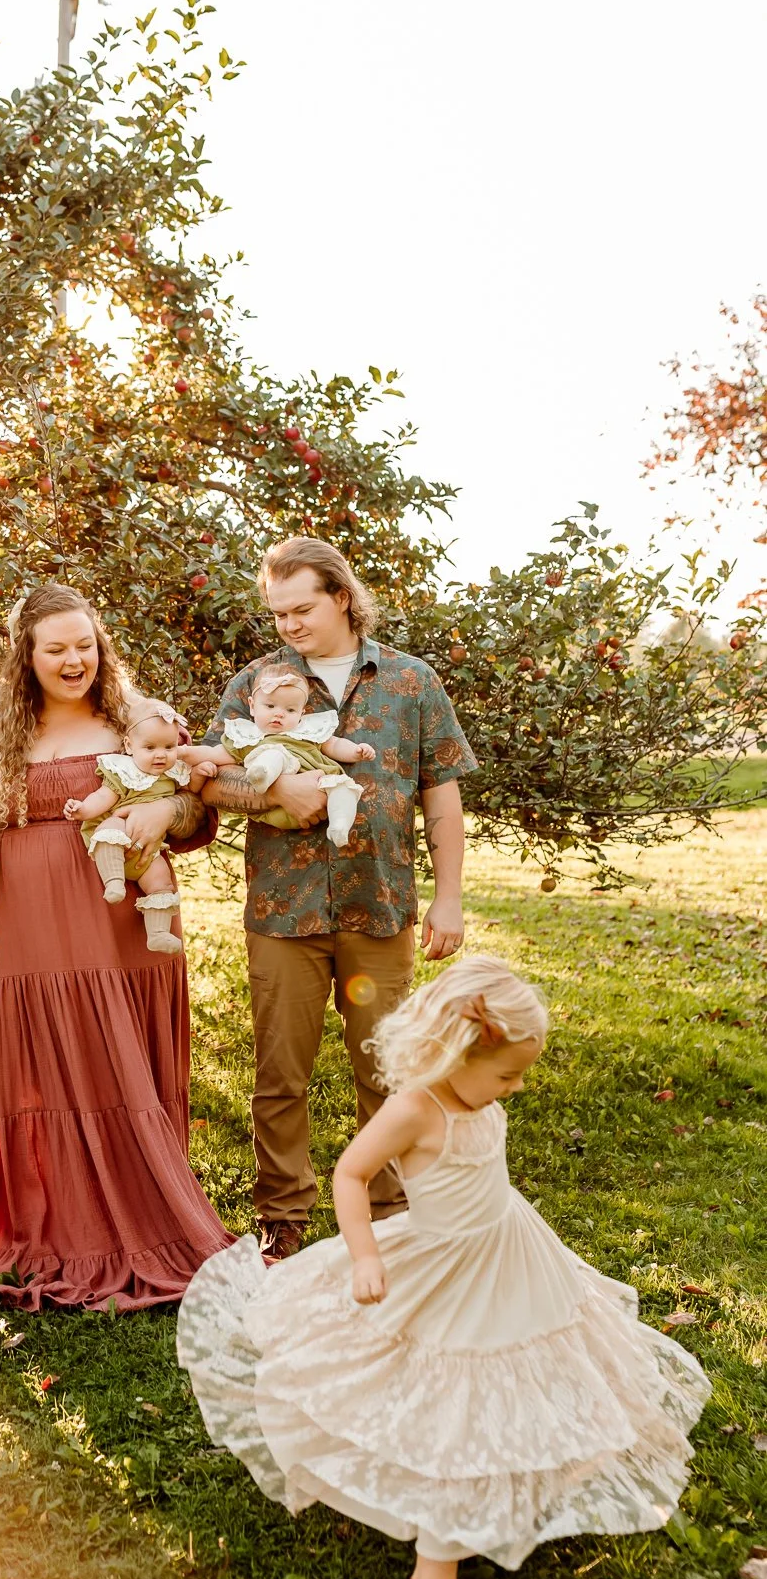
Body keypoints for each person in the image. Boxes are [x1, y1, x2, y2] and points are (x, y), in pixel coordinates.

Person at [177, 957, 710, 1579]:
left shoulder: (477, 1101)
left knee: (531, 1381)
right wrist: (364, 1255)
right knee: (454, 1409)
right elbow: (350, 1172)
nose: (514, 1089)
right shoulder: (413, 1110)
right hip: (444, 1271)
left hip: (509, 1257)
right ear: (458, 1052)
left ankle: (491, 1506)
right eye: (505, 1075)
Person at [0, 583, 233, 1315]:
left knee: (123, 1061)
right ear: (25, 656)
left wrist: (161, 806)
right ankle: (55, 1225)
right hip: (34, 924)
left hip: (125, 926)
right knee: (46, 1069)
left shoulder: (135, 719)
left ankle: (149, 1221)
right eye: (55, 648)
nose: (73, 659)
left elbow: (192, 803)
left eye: (84, 644)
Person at [201, 537, 476, 1261]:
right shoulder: (253, 685)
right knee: (279, 1073)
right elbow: (205, 778)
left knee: (386, 1069)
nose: (288, 625)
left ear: (342, 598)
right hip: (283, 915)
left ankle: (387, 1218)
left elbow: (440, 800)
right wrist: (272, 790)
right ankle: (281, 1221)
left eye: (302, 608)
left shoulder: (412, 682)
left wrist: (448, 899)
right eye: (277, 613)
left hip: (379, 906)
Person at [62, 697, 217, 955]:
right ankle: (114, 881)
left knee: (161, 882)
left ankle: (157, 933)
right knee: (111, 824)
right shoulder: (124, 770)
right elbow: (104, 797)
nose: (160, 754)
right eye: (150, 747)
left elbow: (192, 791)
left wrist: (201, 772)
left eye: (169, 747)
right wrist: (83, 810)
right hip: (119, 835)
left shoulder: (173, 772)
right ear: (129, 746)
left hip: (149, 851)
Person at [201, 661, 373, 844]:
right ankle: (262, 774)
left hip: (321, 784)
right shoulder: (249, 735)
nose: (279, 714)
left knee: (344, 788)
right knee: (275, 754)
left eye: (290, 710)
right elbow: (213, 758)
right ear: (252, 705)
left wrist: (356, 751)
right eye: (270, 706)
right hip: (278, 814)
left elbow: (335, 745)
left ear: (302, 712)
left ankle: (340, 825)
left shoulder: (308, 730)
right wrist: (183, 753)